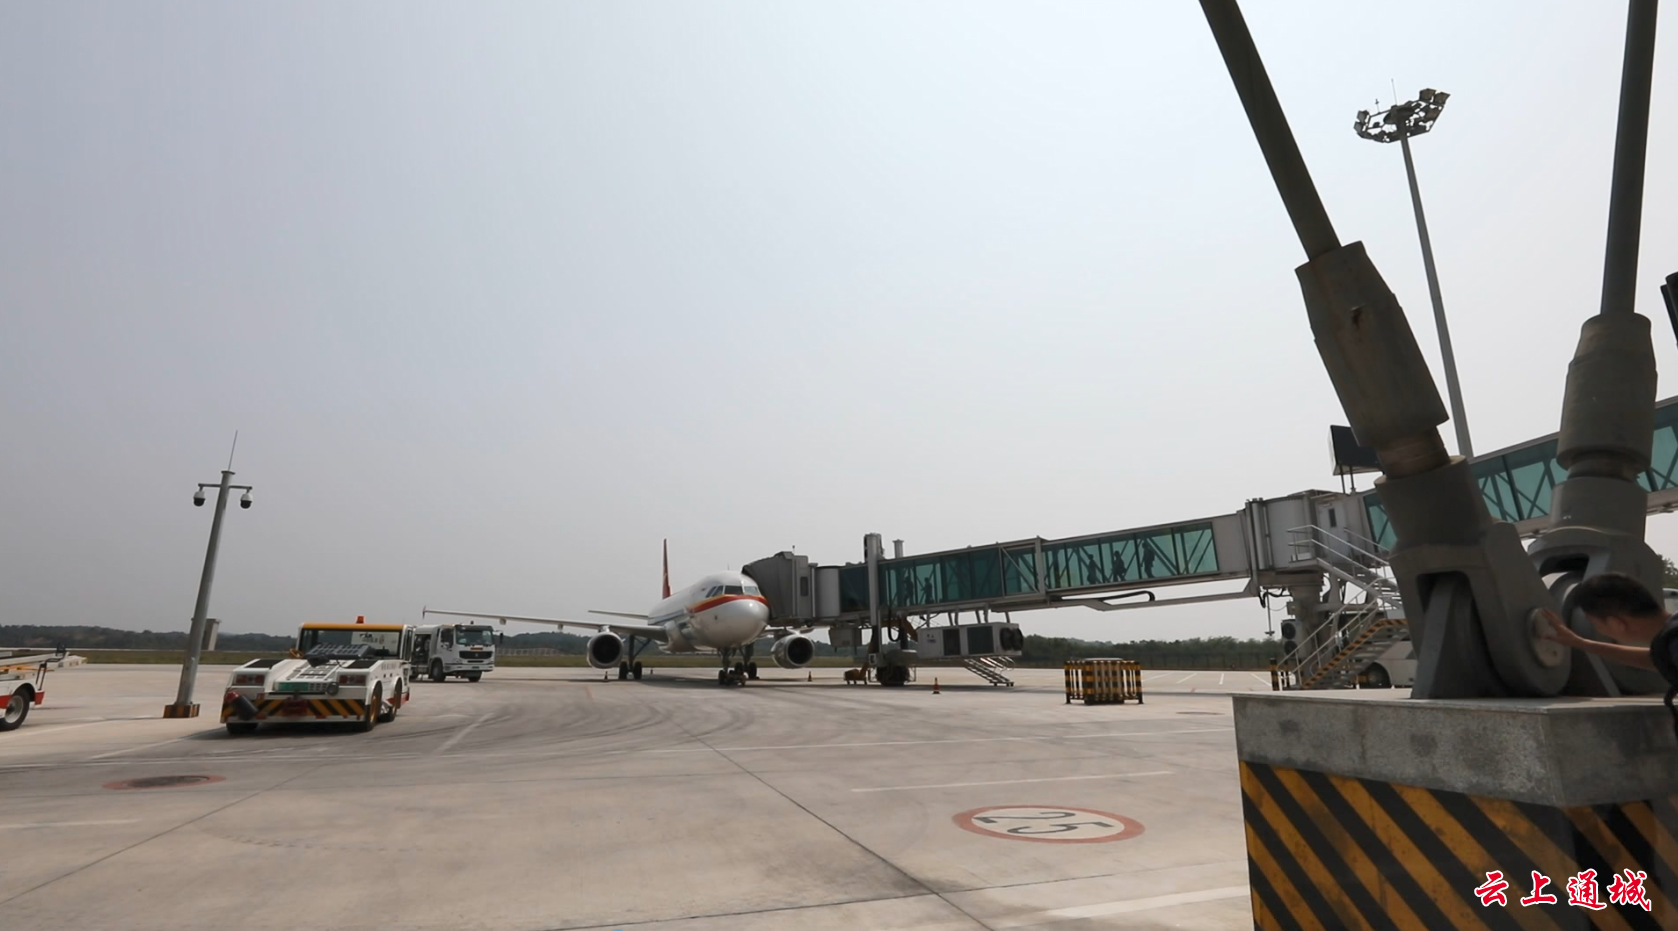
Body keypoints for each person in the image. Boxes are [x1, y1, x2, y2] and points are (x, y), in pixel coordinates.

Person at [1540, 571, 1676, 673]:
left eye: (1595, 624)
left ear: (1615, 623)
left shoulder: (1674, 643)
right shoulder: (1671, 642)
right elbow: (1658, 660)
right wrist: (1580, 643)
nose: (1598, 629)